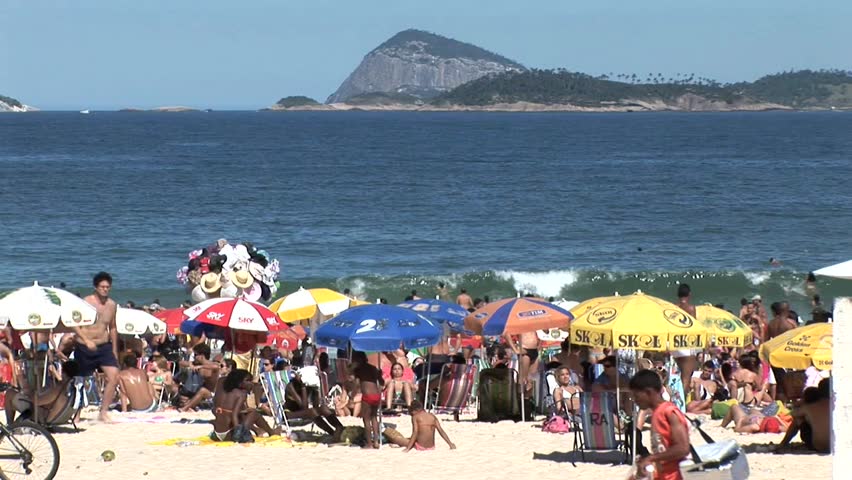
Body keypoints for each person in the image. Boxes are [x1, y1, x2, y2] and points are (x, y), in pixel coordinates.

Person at [74, 271, 120, 423]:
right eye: (102, 287)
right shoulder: (85, 302)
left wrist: (114, 349)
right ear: (95, 287)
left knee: (114, 376)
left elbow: (113, 328)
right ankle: (77, 413)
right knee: (80, 381)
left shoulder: (112, 305)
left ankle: (103, 412)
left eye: (108, 287)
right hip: (84, 346)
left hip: (104, 346)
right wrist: (86, 340)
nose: (105, 289)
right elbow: (74, 324)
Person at [629, 370, 690, 480]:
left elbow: (683, 448)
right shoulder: (657, 413)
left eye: (636, 396)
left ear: (648, 392)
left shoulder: (669, 412)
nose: (635, 400)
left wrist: (651, 458)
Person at [211, 369, 280, 442]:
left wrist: (243, 411)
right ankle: (272, 432)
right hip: (229, 434)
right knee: (254, 413)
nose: (251, 383)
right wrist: (238, 432)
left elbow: (227, 409)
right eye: (248, 381)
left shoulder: (222, 384)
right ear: (239, 382)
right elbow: (234, 414)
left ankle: (258, 430)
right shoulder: (241, 394)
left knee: (245, 412)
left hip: (217, 433)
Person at [5, 361, 79, 425]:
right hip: (58, 417)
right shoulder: (70, 387)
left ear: (64, 372)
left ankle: (10, 424)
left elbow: (37, 402)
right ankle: (13, 424)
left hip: (41, 415)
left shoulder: (59, 388)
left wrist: (24, 386)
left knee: (9, 393)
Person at [384, 400, 456, 451]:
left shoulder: (415, 417)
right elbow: (441, 431)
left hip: (420, 446)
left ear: (414, 410)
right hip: (431, 447)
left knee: (396, 438)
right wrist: (450, 444)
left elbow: (415, 433)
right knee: (407, 438)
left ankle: (384, 431)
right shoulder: (432, 416)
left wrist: (408, 448)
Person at [352, 351, 383, 448]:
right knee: (374, 417)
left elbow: (357, 384)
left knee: (366, 419)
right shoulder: (373, 368)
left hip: (367, 396)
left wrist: (353, 393)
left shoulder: (359, 369)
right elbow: (382, 382)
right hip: (377, 395)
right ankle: (376, 441)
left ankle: (369, 443)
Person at [672, 284, 697, 391]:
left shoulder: (673, 307)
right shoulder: (691, 308)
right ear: (689, 294)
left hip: (675, 344)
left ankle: (676, 399)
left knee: (678, 374)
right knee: (686, 376)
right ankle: (680, 404)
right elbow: (694, 327)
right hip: (687, 344)